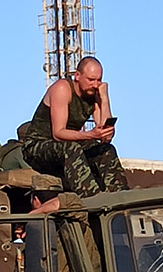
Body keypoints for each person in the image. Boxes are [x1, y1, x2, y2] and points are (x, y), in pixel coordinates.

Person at [20, 56, 129, 197]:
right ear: (77, 76)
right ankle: (91, 198)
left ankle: (120, 197)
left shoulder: (94, 93)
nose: (95, 85)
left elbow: (106, 136)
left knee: (105, 150)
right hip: (37, 146)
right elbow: (58, 134)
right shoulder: (62, 89)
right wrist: (90, 135)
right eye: (91, 80)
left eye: (99, 80)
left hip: (68, 144)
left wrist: (104, 98)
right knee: (71, 148)